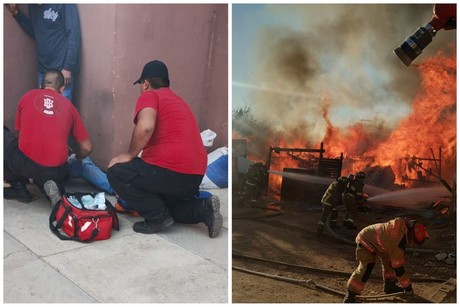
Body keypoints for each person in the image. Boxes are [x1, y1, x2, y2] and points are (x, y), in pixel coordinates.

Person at [107, 60, 223, 238]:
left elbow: (146, 127)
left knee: (116, 171)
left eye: (141, 85)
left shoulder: (150, 95)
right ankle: (202, 210)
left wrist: (129, 154)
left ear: (145, 84)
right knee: (161, 204)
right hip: (193, 177)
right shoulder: (178, 101)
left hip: (169, 171)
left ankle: (157, 218)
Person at [4, 69, 92, 206]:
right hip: (56, 169)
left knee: (6, 141)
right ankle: (51, 185)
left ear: (41, 85)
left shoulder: (27, 97)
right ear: (62, 88)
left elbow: (19, 135)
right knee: (49, 172)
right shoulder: (70, 107)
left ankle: (19, 189)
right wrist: (75, 158)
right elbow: (87, 147)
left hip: (26, 164)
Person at [343, 217, 430, 303]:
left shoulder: (402, 228)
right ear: (410, 235)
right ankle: (350, 297)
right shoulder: (397, 241)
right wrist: (408, 288)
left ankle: (389, 286)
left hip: (380, 243)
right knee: (367, 267)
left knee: (389, 262)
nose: (413, 245)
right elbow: (398, 268)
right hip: (365, 240)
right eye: (414, 242)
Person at [7, 4, 81, 102]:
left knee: (63, 111)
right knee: (46, 110)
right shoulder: (33, 6)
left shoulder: (65, 4)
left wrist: (68, 67)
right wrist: (16, 13)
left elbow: (73, 34)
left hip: (62, 70)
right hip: (43, 70)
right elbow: (35, 31)